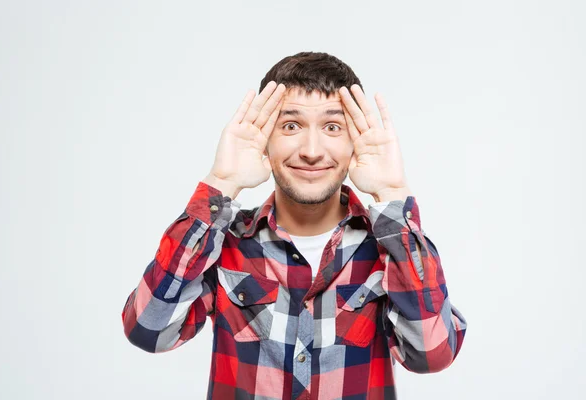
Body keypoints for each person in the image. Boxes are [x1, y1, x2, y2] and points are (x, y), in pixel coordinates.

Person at [121, 51, 467, 400]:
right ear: (265, 141)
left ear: (354, 144)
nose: (311, 151)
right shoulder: (225, 242)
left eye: (332, 127)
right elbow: (148, 329)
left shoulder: (388, 246)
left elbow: (432, 354)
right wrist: (221, 182)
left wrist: (392, 195)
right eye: (290, 126)